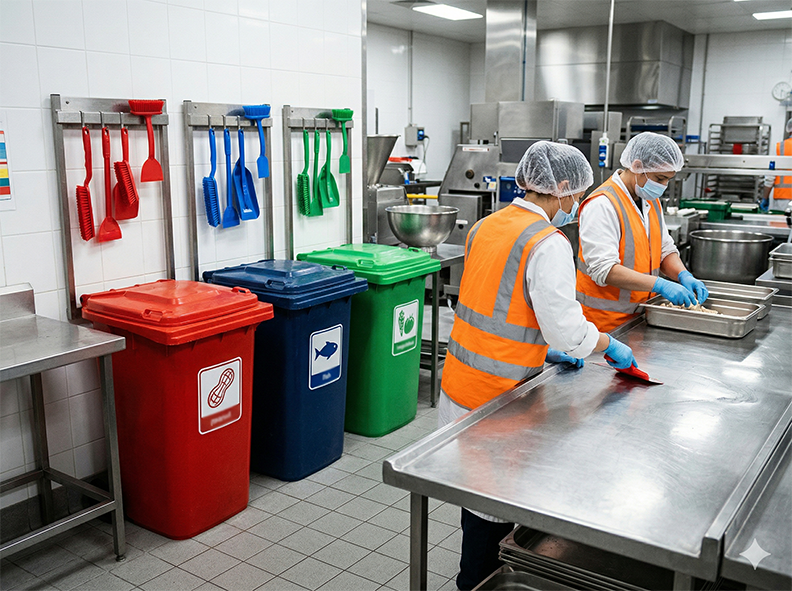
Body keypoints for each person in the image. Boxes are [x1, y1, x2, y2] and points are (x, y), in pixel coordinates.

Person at [438, 141, 637, 591]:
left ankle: (475, 577)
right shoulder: (547, 243)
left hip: (459, 385)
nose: (577, 205)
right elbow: (568, 329)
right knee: (491, 517)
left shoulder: (487, 226)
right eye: (578, 195)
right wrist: (605, 344)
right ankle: (477, 583)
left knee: (476, 504)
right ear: (562, 188)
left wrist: (541, 350)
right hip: (497, 400)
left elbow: (496, 306)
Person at [576, 132, 709, 333]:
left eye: (668, 180)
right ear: (637, 167)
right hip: (604, 325)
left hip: (640, 319)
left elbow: (664, 248)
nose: (663, 186)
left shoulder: (649, 200)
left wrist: (683, 274)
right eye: (660, 178)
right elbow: (603, 269)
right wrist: (661, 285)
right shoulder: (603, 204)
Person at [760, 119, 792, 212]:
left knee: (782, 225)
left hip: (782, 200)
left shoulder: (780, 147)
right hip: (782, 199)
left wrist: (765, 198)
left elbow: (770, 176)